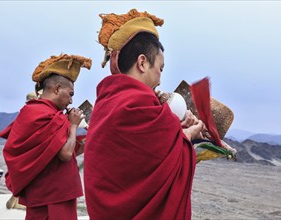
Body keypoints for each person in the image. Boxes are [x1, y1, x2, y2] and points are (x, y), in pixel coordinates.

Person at [84, 9, 204, 219]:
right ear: (142, 63)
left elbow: (142, 160)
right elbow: (159, 154)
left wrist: (178, 132)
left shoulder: (106, 102)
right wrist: (187, 136)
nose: (159, 79)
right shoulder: (137, 104)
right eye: (160, 68)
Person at [0, 54, 92, 220]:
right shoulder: (46, 115)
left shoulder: (34, 112)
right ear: (56, 89)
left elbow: (68, 149)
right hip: (55, 196)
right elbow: (66, 154)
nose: (71, 100)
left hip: (44, 195)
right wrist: (73, 125)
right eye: (70, 93)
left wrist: (92, 134)